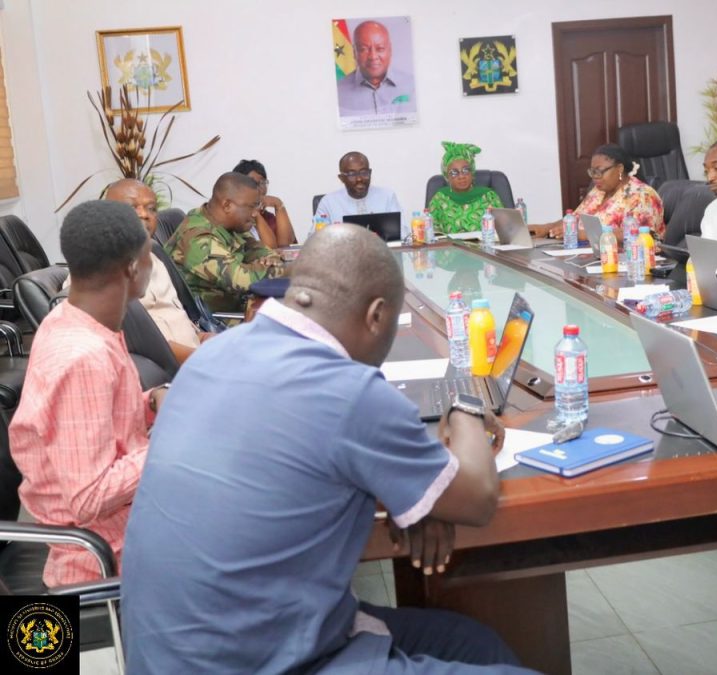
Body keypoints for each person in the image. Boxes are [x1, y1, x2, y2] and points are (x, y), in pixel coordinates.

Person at [122, 224, 533, 673]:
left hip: (180, 651)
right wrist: (466, 407)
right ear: (376, 315)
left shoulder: (214, 354)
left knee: (474, 643)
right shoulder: (349, 390)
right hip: (261, 662)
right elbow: (476, 499)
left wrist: (419, 494)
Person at [9, 200, 168, 587]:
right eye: (149, 254)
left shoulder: (72, 320)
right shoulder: (84, 356)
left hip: (131, 528)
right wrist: (175, 441)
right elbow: (89, 497)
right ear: (132, 268)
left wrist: (150, 403)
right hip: (104, 562)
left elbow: (90, 421)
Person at [95, 179, 206, 364]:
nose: (144, 214)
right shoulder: (98, 273)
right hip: (170, 372)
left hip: (197, 358)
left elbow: (173, 318)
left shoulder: (154, 259)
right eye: (132, 207)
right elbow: (143, 346)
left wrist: (204, 338)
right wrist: (208, 359)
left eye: (151, 208)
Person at [165, 172, 285, 313]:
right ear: (227, 205)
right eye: (251, 206)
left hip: (237, 306)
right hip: (214, 319)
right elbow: (243, 280)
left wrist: (271, 261)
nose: (255, 213)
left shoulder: (231, 225)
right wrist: (285, 269)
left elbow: (261, 251)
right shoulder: (198, 237)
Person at [529, 144, 664, 241]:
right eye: (592, 172)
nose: (595, 177)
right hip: (591, 257)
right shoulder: (598, 191)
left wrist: (583, 235)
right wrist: (546, 228)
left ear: (619, 169)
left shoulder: (642, 195)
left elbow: (639, 235)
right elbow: (575, 218)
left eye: (599, 171)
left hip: (631, 262)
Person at [314, 151, 406, 238]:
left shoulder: (387, 196)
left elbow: (404, 233)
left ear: (370, 173)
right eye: (352, 174)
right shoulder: (328, 202)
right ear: (342, 178)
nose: (359, 179)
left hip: (382, 249)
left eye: (364, 172)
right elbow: (315, 239)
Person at [337, 20, 416, 116]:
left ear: (390, 50)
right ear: (354, 52)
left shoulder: (412, 85)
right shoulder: (338, 92)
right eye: (363, 49)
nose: (373, 57)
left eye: (380, 49)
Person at [427, 141, 504, 235]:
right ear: (447, 177)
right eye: (454, 173)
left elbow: (504, 228)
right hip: (450, 245)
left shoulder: (489, 196)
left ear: (472, 173)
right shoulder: (439, 199)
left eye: (465, 170)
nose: (461, 176)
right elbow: (431, 233)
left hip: (485, 243)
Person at [233, 159, 296, 249]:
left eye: (263, 183)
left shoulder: (268, 217)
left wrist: (279, 204)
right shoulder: (237, 217)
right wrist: (255, 213)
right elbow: (270, 249)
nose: (260, 188)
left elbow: (286, 247)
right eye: (253, 183)